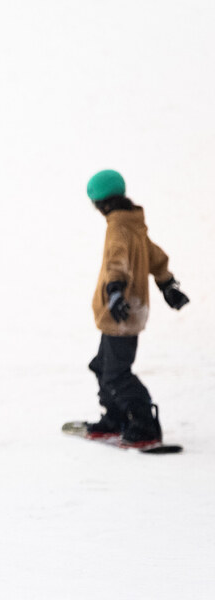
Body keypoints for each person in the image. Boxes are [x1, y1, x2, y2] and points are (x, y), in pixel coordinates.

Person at [84, 170, 189, 446]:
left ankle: (144, 425)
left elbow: (116, 260)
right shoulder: (133, 223)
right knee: (102, 366)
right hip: (124, 311)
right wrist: (168, 285)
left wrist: (116, 292)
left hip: (121, 312)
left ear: (101, 202)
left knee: (117, 374)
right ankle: (116, 417)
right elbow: (155, 256)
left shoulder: (118, 227)